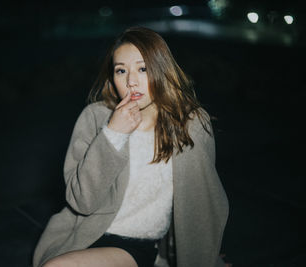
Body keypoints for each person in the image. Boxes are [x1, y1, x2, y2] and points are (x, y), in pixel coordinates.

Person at [32, 26, 229, 267]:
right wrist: (113, 133)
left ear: (162, 70)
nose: (131, 81)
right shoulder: (95, 117)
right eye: (121, 70)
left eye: (143, 68)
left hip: (136, 244)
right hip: (82, 234)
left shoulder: (190, 124)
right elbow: (82, 201)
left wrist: (206, 259)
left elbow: (202, 204)